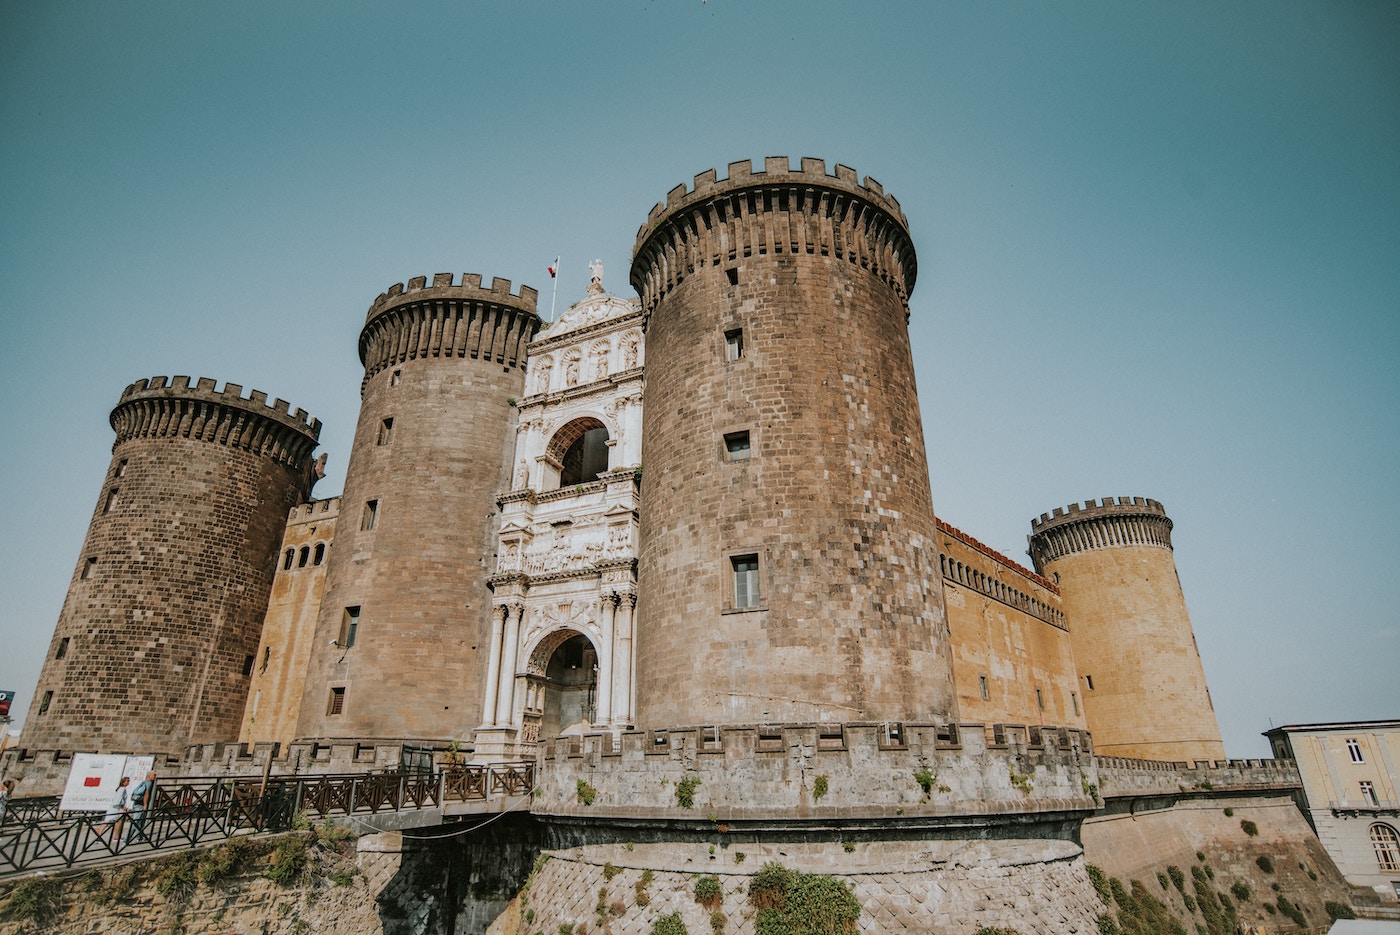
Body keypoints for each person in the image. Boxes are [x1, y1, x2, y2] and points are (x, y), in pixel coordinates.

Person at [125, 771, 156, 845]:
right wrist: (145, 805)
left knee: (141, 822)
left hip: (137, 804)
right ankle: (126, 839)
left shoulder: (144, 782)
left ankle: (139, 838)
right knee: (136, 822)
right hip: (141, 805)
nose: (155, 777)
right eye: (154, 775)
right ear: (149, 776)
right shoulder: (148, 783)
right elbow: (146, 794)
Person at [100, 776, 131, 845]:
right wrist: (123, 806)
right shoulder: (122, 789)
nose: (128, 782)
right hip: (116, 808)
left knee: (111, 821)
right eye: (127, 781)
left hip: (114, 807)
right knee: (114, 822)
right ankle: (115, 837)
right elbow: (119, 799)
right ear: (123, 782)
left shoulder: (120, 789)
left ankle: (101, 836)